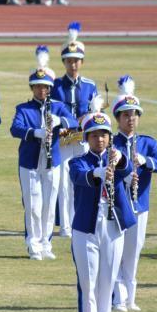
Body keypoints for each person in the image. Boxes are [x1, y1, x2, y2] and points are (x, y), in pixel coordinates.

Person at [68, 105, 136, 312]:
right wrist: (100, 171)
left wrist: (120, 161)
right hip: (86, 229)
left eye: (104, 135)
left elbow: (127, 170)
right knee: (88, 285)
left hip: (113, 227)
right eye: (95, 135)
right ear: (87, 138)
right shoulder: (77, 162)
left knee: (107, 284)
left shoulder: (117, 157)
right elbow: (80, 177)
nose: (100, 139)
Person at [10, 46, 76, 260]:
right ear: (32, 88)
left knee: (49, 204)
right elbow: (15, 128)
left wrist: (60, 122)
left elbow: (75, 123)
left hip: (53, 161)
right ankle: (33, 244)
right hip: (29, 162)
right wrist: (35, 132)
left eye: (45, 87)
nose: (42, 91)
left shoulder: (58, 107)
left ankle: (46, 243)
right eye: (38, 87)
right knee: (33, 205)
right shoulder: (23, 108)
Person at [110, 76, 157, 312]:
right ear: (118, 119)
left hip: (140, 205)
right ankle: (117, 298)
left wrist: (147, 162)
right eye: (126, 115)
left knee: (134, 252)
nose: (131, 119)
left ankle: (131, 298)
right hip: (116, 206)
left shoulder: (146, 143)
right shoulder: (110, 142)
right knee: (117, 252)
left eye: (134, 114)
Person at [52, 22, 98, 238]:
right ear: (64, 62)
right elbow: (51, 111)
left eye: (76, 61)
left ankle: (79, 221)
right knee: (61, 182)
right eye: (69, 61)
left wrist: (88, 117)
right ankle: (65, 226)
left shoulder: (90, 85)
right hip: (62, 140)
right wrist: (66, 122)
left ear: (82, 62)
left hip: (82, 141)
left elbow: (94, 112)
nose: (73, 65)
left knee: (78, 181)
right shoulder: (55, 85)